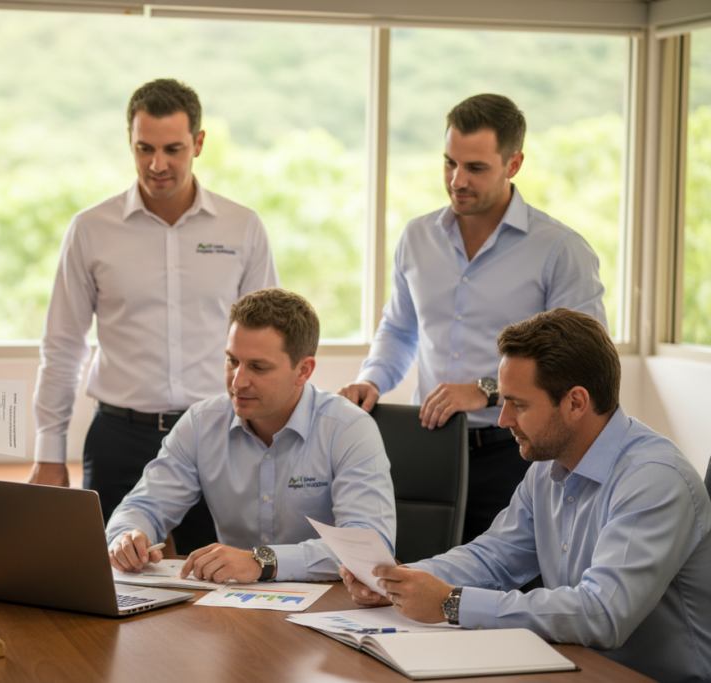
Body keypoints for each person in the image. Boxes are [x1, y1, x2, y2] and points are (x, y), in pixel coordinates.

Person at [341, 309, 711, 683]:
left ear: (576, 403)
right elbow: (493, 558)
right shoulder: (547, 466)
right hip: (575, 666)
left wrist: (451, 603)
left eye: (518, 404)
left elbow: (601, 614)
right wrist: (400, 581)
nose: (503, 420)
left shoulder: (653, 480)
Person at [339, 93, 607, 544]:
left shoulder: (561, 250)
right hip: (428, 446)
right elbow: (401, 328)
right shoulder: (416, 237)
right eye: (449, 163)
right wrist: (372, 380)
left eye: (475, 168)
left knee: (505, 592)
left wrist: (485, 391)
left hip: (517, 452)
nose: (457, 180)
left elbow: (581, 361)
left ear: (514, 163)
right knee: (416, 578)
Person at [31, 78, 278, 553]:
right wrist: (48, 452)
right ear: (130, 140)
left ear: (199, 143)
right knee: (107, 582)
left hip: (219, 435)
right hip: (119, 437)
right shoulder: (90, 229)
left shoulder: (242, 227)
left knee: (220, 589)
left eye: (173, 149)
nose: (157, 164)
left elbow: (268, 345)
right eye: (144, 148)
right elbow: (63, 345)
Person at [107, 288, 395, 584]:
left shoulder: (347, 428)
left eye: (258, 367)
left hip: (328, 606)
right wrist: (126, 536)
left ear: (303, 370)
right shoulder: (200, 423)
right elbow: (143, 507)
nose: (238, 381)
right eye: (232, 361)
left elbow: (369, 549)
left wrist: (262, 561)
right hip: (232, 606)